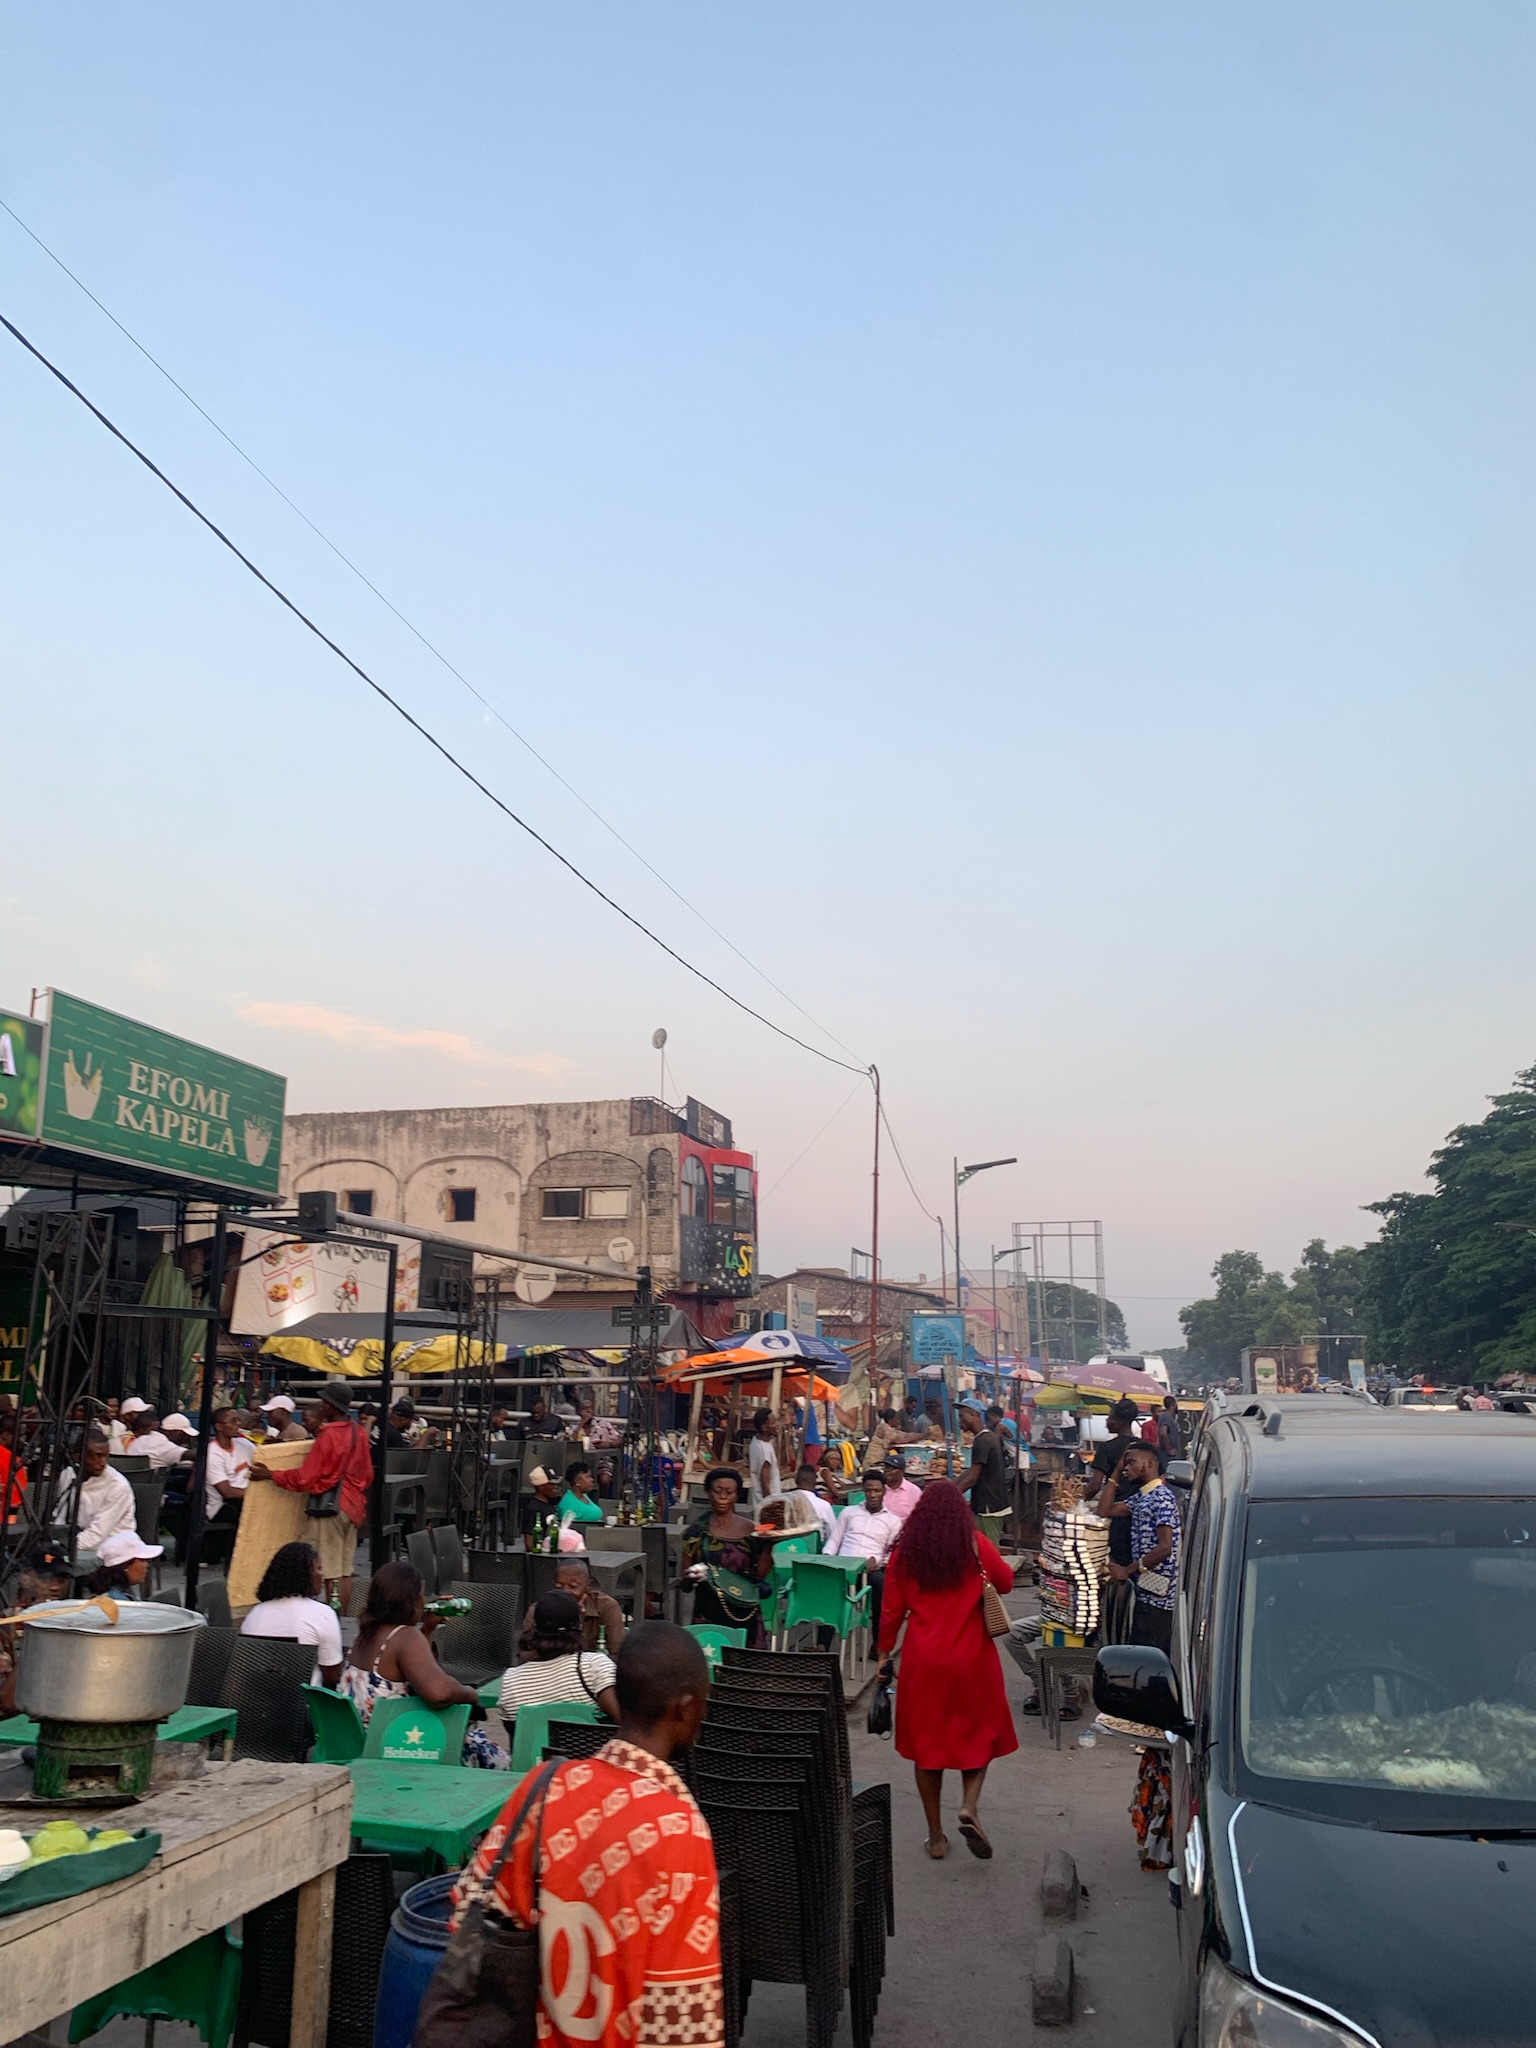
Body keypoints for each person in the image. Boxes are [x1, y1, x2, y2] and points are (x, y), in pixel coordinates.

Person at [454, 1622, 722, 2048]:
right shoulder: (681, 1831)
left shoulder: (542, 1787)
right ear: (686, 1709)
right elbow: (682, 2021)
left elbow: (466, 1916)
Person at [877, 1478, 1017, 1861]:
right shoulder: (974, 1544)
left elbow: (891, 1611)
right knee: (980, 1735)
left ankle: (936, 1838)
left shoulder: (905, 1554)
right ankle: (969, 1806)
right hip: (972, 1659)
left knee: (928, 1748)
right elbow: (1006, 1583)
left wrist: (884, 1653)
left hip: (923, 1661)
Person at [341, 1560, 506, 1767]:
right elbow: (439, 1693)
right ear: (411, 1601)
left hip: (364, 1744)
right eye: (422, 1593)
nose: (424, 1599)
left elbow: (414, 1672)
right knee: (499, 1760)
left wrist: (427, 1630)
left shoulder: (366, 1634)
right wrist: (469, 1694)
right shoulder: (405, 1636)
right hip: (399, 1745)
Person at [248, 1381, 373, 1614]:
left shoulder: (329, 1435)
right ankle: (343, 1619)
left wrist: (271, 1474)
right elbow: (367, 1474)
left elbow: (306, 1478)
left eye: (324, 1402)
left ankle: (334, 1619)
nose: (321, 1405)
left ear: (332, 1406)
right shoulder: (359, 1432)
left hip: (331, 1507)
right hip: (353, 1506)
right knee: (344, 1571)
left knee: (330, 1571)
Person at [498, 1588, 620, 1731]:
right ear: (577, 1625)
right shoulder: (594, 1666)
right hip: (591, 1745)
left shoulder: (510, 1681)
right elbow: (622, 1720)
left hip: (536, 1746)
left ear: (535, 1626)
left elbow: (516, 1733)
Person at [684, 1467, 773, 1647]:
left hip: (744, 1611)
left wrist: (770, 1544)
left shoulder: (752, 1531)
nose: (723, 1497)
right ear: (708, 1493)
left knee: (743, 1661)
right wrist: (689, 1577)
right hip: (708, 1611)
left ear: (737, 1496)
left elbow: (759, 1576)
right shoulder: (696, 1532)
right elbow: (685, 1584)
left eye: (729, 1492)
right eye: (717, 1491)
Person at [240, 1540, 344, 1685]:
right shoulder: (322, 1613)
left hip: (256, 1693)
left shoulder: (255, 1613)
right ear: (305, 1575)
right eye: (319, 1568)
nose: (323, 1575)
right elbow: (332, 1674)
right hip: (303, 1696)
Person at [1115, 1441, 1181, 1653]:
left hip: (1159, 1600)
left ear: (1150, 1463)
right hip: (1146, 1592)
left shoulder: (1162, 1498)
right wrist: (1115, 1473)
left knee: (1148, 1656)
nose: (1127, 1468)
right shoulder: (1142, 1497)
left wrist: (1128, 1570)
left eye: (1132, 1462)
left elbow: (1165, 1548)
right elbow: (1104, 1510)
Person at [826, 1468, 901, 1640]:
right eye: (868, 1490)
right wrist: (828, 1558)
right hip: (843, 1566)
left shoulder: (893, 1521)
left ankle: (878, 1643)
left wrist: (879, 1561)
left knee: (881, 1585)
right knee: (829, 1585)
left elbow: (891, 1553)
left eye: (877, 1491)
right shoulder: (849, 1512)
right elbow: (834, 1540)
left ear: (884, 1492)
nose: (873, 1495)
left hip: (870, 1570)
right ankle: (823, 1644)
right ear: (863, 1491)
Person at [60, 1429, 136, 1553]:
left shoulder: (117, 1486)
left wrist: (63, 1546)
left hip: (111, 1547)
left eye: (106, 1456)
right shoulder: (68, 1474)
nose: (103, 1463)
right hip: (76, 1539)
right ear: (78, 1457)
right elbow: (60, 1516)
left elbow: (97, 1535)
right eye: (97, 1456)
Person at [203, 1404, 255, 1565]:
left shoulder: (244, 1445)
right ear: (219, 1426)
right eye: (233, 1421)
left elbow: (264, 1461)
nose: (238, 1424)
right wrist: (257, 1494)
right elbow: (227, 1492)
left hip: (246, 1497)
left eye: (238, 1420)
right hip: (224, 1505)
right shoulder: (212, 1453)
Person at [548, 1556, 627, 1656]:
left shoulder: (607, 1606)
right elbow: (529, 1654)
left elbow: (618, 1653)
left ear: (588, 1586)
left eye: (573, 1586)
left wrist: (578, 1619)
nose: (565, 1592)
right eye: (559, 1587)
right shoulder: (540, 1610)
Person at [956, 1401, 1010, 1519]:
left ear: (972, 1415)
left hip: (988, 1506)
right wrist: (951, 1485)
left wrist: (950, 1496)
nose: (959, 1420)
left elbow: (972, 1478)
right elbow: (973, 1470)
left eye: (961, 1416)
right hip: (995, 1504)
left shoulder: (982, 1441)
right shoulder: (989, 1436)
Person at [82, 1530, 163, 1599]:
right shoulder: (118, 1601)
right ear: (125, 1566)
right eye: (142, 1560)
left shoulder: (120, 1592)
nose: (147, 1565)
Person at [793, 1463, 838, 1543]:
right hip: (815, 1548)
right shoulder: (824, 1506)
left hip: (785, 1548)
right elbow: (832, 1535)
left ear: (796, 1480)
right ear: (815, 1482)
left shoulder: (784, 1502)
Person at [522, 1465, 565, 1548]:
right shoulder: (533, 1508)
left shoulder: (549, 1504)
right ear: (540, 1486)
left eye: (556, 1484)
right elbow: (530, 1542)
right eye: (551, 1484)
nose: (555, 1487)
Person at [747, 1408, 779, 1510]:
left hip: (758, 1501)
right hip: (766, 1503)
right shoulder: (764, 1450)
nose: (777, 1425)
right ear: (764, 1427)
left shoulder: (756, 1441)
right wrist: (769, 1505)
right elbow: (764, 1479)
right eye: (773, 1423)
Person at [556, 1460, 605, 1526]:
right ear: (577, 1481)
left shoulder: (584, 1495)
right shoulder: (569, 1504)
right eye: (587, 1477)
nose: (592, 1480)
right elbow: (567, 1528)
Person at [881, 1451, 922, 1523]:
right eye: (886, 1467)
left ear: (902, 1471)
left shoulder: (913, 1491)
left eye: (891, 1468)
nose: (887, 1470)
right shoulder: (879, 1489)